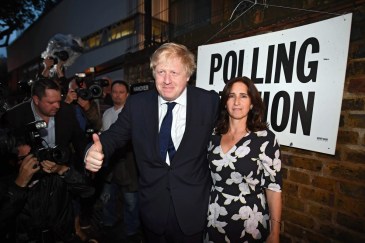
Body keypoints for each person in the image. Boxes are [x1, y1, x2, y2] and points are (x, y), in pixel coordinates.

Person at [85, 42, 220, 243]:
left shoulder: (208, 102)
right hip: (152, 211)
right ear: (153, 73)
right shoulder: (137, 105)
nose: (166, 80)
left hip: (193, 210)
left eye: (174, 72)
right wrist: (93, 150)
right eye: (160, 72)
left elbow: (232, 135)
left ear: (188, 75)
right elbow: (114, 135)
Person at [0, 78, 92, 242]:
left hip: (60, 178)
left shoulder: (67, 110)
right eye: (51, 102)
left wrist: (89, 155)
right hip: (30, 187)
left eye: (59, 100)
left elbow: (79, 141)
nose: (57, 106)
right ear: (36, 99)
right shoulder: (14, 116)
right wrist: (17, 153)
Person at [205, 76, 282, 243]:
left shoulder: (265, 139)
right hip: (215, 217)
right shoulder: (213, 135)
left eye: (243, 96)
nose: (237, 101)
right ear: (225, 102)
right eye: (231, 96)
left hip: (250, 221)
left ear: (252, 103)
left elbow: (274, 188)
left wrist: (275, 232)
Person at [100, 80, 140, 242]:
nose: (117, 95)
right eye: (114, 92)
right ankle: (108, 223)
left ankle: (132, 230)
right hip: (109, 164)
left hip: (127, 163)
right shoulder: (107, 113)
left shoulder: (133, 113)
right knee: (107, 197)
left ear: (127, 94)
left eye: (121, 92)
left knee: (131, 201)